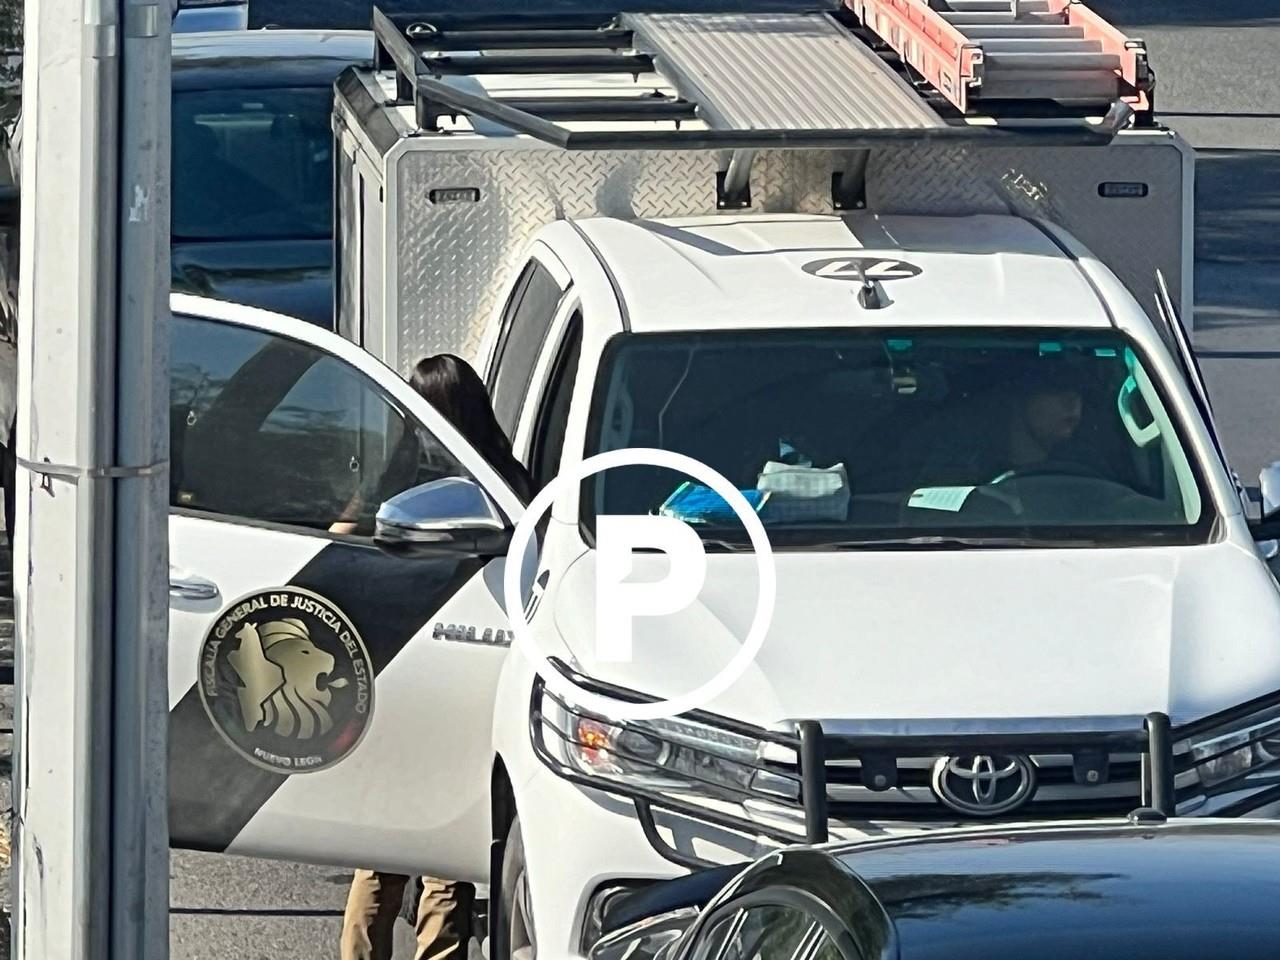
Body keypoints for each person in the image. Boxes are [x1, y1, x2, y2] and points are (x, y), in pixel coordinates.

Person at [341, 353, 533, 960]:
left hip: (397, 672)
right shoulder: (511, 483)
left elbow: (338, 543)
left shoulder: (396, 483)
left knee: (383, 848)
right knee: (447, 849)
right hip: (472, 672)